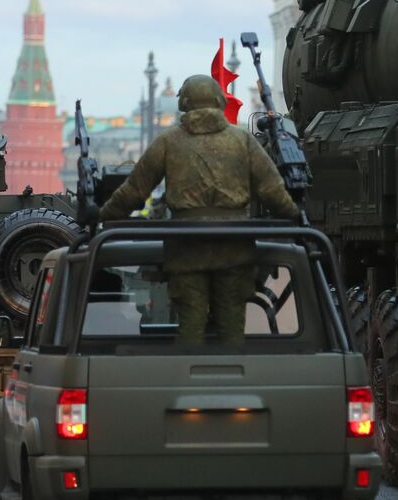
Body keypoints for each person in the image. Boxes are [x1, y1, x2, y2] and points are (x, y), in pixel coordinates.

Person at [98, 75, 298, 345]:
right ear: (218, 101)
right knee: (231, 329)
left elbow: (135, 190)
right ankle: (232, 379)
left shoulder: (168, 142)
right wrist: (296, 216)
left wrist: (103, 216)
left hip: (186, 250)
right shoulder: (242, 141)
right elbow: (272, 190)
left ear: (184, 103)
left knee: (190, 326)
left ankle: (190, 376)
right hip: (234, 249)